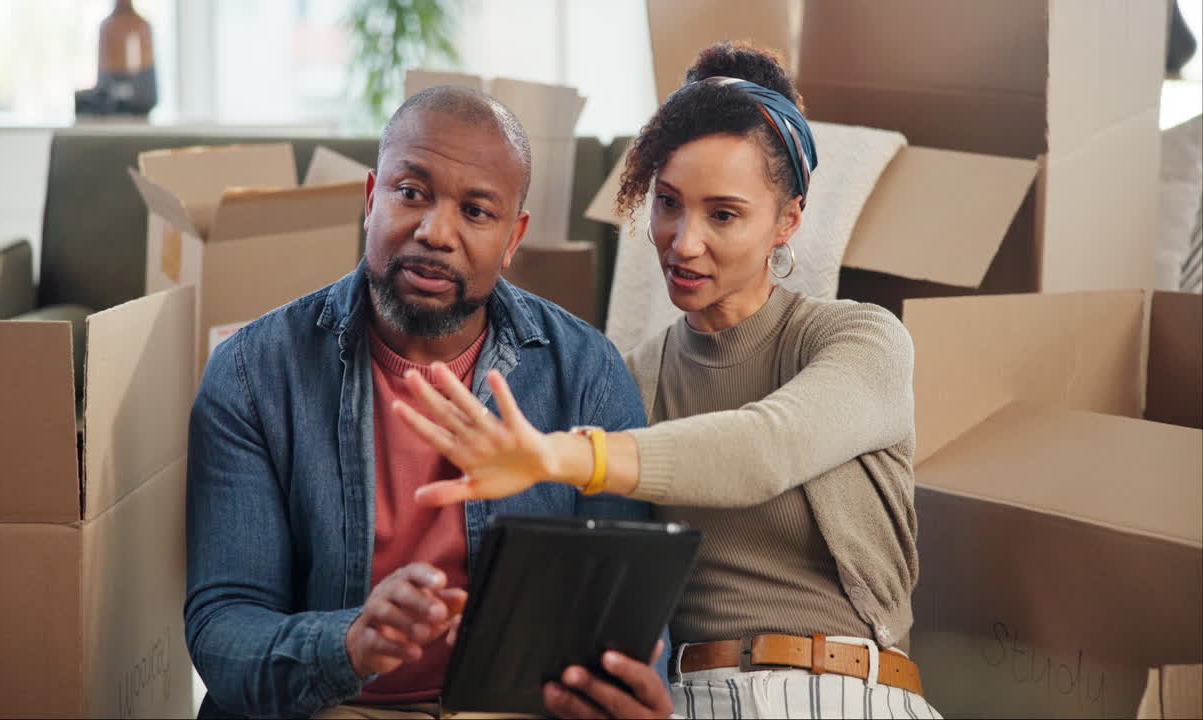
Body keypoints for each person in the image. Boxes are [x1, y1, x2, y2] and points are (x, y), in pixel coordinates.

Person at [394, 42, 941, 718]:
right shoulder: (633, 376)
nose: (683, 241)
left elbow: (766, 449)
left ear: (788, 220)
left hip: (841, 692)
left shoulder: (860, 341)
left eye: (724, 214)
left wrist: (563, 454)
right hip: (680, 700)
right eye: (669, 203)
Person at [184, 85, 673, 720]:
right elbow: (224, 628)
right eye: (411, 193)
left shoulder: (586, 373)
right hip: (327, 706)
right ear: (371, 198)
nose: (434, 231)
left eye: (476, 211)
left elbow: (625, 612)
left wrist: (631, 687)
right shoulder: (253, 371)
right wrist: (350, 643)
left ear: (512, 237)